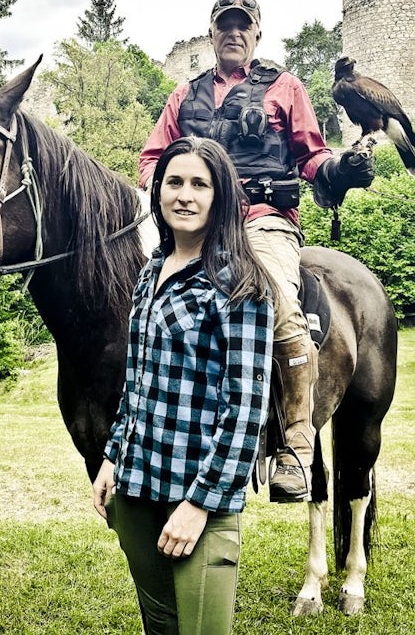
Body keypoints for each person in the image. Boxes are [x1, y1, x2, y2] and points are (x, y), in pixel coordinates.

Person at [139, 0, 375, 502]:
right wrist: (172, 193)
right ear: (212, 34)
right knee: (141, 306)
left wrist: (340, 172)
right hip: (196, 226)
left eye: (242, 27)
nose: (233, 34)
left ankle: (295, 446)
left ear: (256, 35)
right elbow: (153, 158)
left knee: (282, 309)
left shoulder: (285, 87)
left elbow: (312, 157)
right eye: (224, 27)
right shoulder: (185, 95)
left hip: (264, 224)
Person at [93, 136, 274, 635]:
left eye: (200, 184)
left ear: (220, 198)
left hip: (200, 501)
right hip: (135, 490)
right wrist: (112, 456)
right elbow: (138, 379)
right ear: (158, 192)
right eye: (174, 182)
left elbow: (245, 410)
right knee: (160, 628)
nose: (184, 195)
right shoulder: (150, 273)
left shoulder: (241, 284)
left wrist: (199, 505)